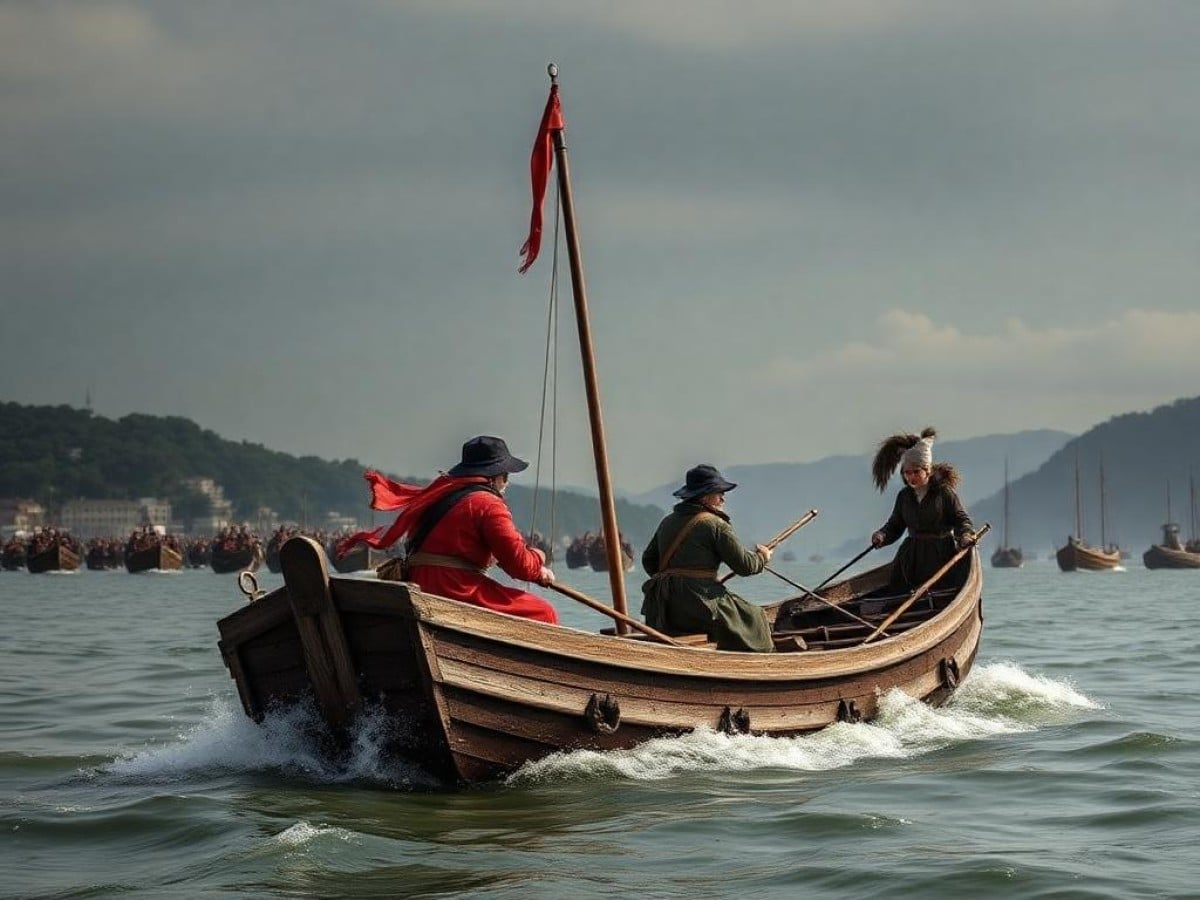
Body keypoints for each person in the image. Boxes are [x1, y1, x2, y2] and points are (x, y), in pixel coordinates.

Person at [337, 435, 559, 624]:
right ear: (495, 476)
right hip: (452, 589)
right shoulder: (488, 504)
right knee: (544, 613)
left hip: (421, 584)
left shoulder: (440, 495)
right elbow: (519, 565)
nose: (507, 482)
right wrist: (539, 562)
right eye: (506, 475)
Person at [640, 464, 775, 652]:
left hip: (664, 610)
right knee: (756, 617)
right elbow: (745, 566)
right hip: (698, 607)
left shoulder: (667, 522)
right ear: (704, 496)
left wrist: (687, 578)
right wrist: (763, 557)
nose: (722, 498)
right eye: (719, 492)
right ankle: (761, 667)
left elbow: (649, 562)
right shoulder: (716, 525)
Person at [869, 427, 975, 591]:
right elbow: (895, 525)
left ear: (927, 470)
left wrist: (966, 535)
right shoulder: (904, 496)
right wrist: (882, 535)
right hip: (911, 558)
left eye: (916, 472)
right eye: (907, 473)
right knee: (900, 593)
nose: (911, 477)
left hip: (941, 555)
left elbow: (961, 520)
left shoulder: (944, 493)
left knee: (940, 592)